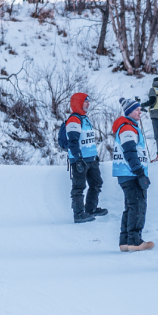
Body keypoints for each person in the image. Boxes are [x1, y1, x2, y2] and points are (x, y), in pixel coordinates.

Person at [112, 98, 153, 252]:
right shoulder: (128, 128)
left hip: (127, 173)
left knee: (130, 207)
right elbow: (130, 152)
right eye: (136, 110)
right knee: (137, 206)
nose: (139, 112)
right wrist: (140, 173)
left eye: (140, 109)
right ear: (129, 112)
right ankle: (135, 241)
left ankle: (125, 241)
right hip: (131, 173)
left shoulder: (128, 127)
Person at [59, 92, 107, 223]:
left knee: (96, 183)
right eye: (85, 101)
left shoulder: (85, 118)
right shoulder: (74, 119)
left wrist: (95, 156)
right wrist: (78, 159)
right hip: (80, 160)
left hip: (91, 159)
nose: (88, 103)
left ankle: (91, 209)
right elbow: (73, 142)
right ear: (78, 103)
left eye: (88, 101)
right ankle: (79, 213)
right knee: (79, 187)